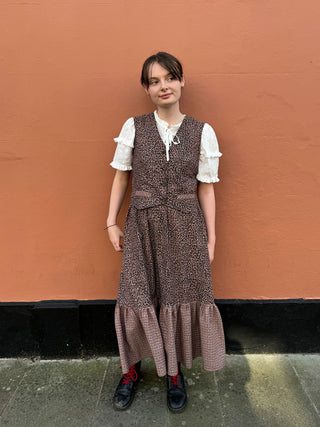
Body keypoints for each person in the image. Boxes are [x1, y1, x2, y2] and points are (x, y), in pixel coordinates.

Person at [106, 52, 225, 413]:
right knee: (136, 294)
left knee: (178, 294)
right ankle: (132, 370)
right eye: (154, 81)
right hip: (141, 226)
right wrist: (111, 221)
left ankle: (174, 372)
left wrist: (212, 238)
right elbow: (121, 175)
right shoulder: (135, 127)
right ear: (146, 88)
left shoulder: (202, 132)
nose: (163, 86)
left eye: (169, 78)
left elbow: (206, 187)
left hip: (186, 226)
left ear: (181, 81)